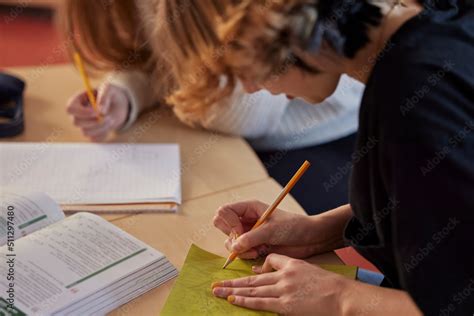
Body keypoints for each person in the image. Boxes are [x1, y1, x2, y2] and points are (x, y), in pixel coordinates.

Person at [155, 0, 474, 314]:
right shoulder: (435, 17)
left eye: (244, 66)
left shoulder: (412, 100)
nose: (251, 88)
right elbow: (439, 209)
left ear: (282, 26)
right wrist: (316, 232)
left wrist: (338, 296)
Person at [62, 0, 365, 214]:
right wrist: (128, 92)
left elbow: (238, 114)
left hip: (320, 133)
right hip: (225, 128)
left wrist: (174, 83)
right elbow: (159, 61)